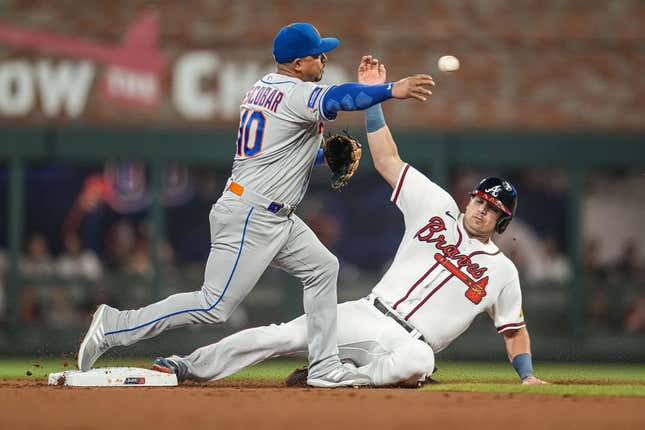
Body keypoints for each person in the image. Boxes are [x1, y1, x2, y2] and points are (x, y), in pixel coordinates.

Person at [77, 22, 434, 388]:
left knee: (323, 268)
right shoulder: (297, 94)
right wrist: (390, 90)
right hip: (253, 214)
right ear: (297, 64)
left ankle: (325, 366)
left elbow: (275, 152)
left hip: (272, 214)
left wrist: (321, 159)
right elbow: (341, 98)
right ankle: (114, 325)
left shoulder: (262, 88)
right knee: (213, 305)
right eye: (317, 54)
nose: (324, 58)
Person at [150, 59, 546, 387]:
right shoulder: (436, 206)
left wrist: (526, 376)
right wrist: (374, 99)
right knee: (281, 335)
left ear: (502, 221)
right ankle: (188, 365)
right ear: (471, 197)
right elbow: (389, 161)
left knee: (419, 360)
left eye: (492, 209)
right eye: (480, 200)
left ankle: (341, 377)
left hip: (412, 343)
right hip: (369, 313)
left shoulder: (502, 271)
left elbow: (513, 330)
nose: (481, 210)